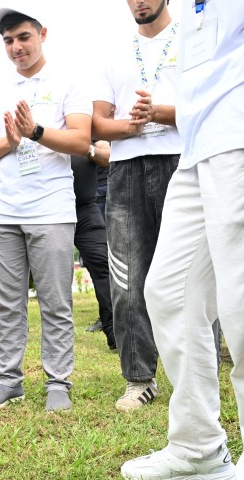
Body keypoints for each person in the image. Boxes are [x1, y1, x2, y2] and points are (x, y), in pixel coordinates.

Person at [121, 2, 244, 478]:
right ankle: (199, 450)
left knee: (238, 304)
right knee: (168, 291)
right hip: (196, 149)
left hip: (237, 142)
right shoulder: (193, 12)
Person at [0, 4, 91, 413]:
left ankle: (58, 383)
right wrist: (11, 141)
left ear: (42, 33)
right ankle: (9, 381)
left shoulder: (68, 80)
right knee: (8, 303)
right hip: (2, 210)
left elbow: (81, 141)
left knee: (55, 301)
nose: (16, 47)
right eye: (8, 40)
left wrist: (35, 131)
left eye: (23, 37)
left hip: (52, 209)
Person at [91, 0, 180, 412]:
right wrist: (134, 124)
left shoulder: (191, 39)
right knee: (127, 281)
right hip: (124, 171)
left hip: (183, 162)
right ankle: (139, 379)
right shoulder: (112, 52)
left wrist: (160, 112)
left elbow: (210, 109)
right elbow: (98, 124)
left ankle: (195, 375)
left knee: (191, 279)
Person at [70, 146, 115, 350]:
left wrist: (86, 146)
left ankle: (115, 332)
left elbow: (107, 156)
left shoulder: (85, 128)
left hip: (86, 208)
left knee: (105, 265)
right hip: (50, 211)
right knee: (57, 277)